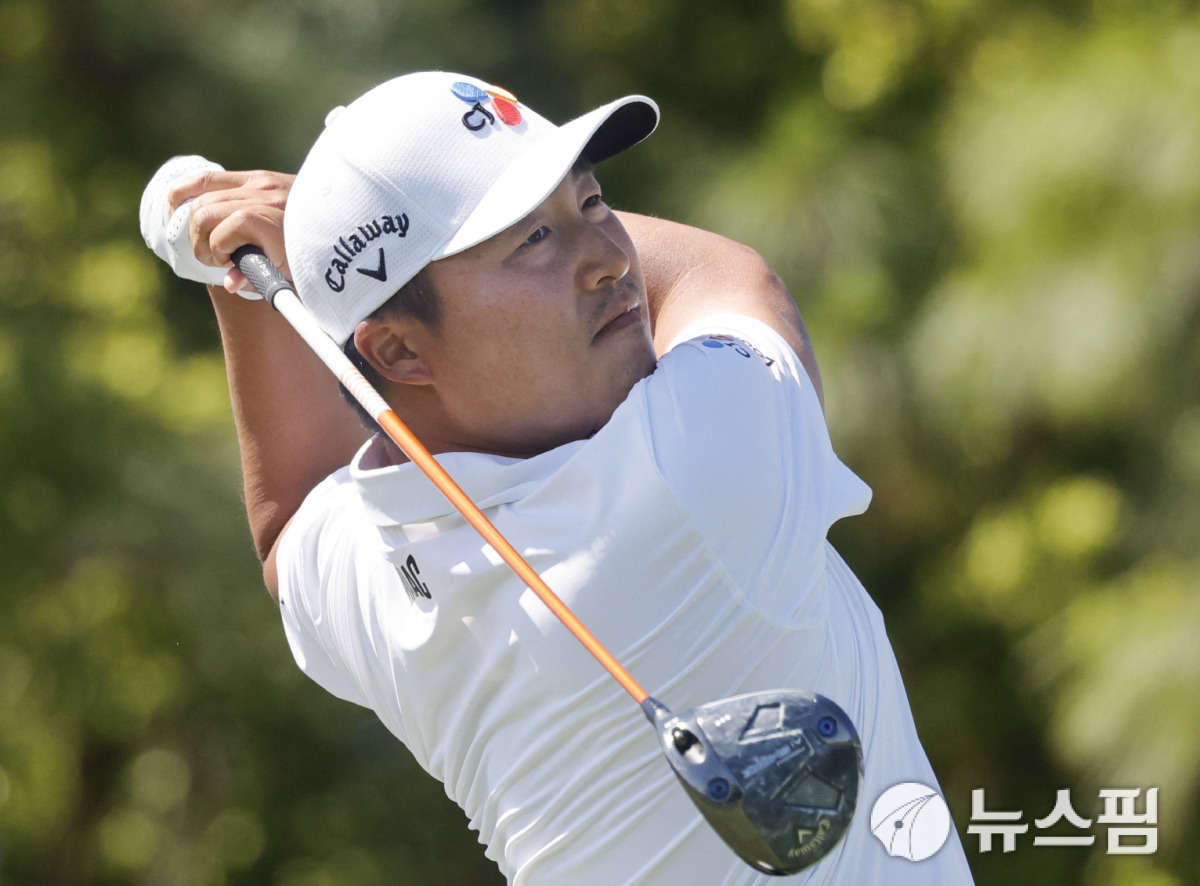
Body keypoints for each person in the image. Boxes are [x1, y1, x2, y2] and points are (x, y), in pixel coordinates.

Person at [144, 71, 975, 884]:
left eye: (592, 201)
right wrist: (311, 230)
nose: (610, 259)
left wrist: (263, 276)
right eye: (531, 240)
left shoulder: (377, 572)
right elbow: (724, 277)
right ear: (395, 348)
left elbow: (291, 521)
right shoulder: (695, 469)